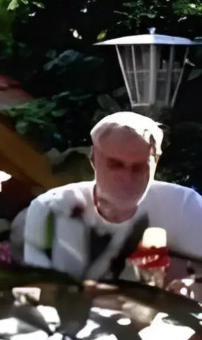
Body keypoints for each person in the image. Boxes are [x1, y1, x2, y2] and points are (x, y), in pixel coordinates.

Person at [23, 112, 202, 280]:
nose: (127, 178)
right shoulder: (50, 208)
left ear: (156, 162)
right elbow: (41, 289)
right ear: (93, 159)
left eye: (139, 168)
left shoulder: (185, 206)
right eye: (115, 165)